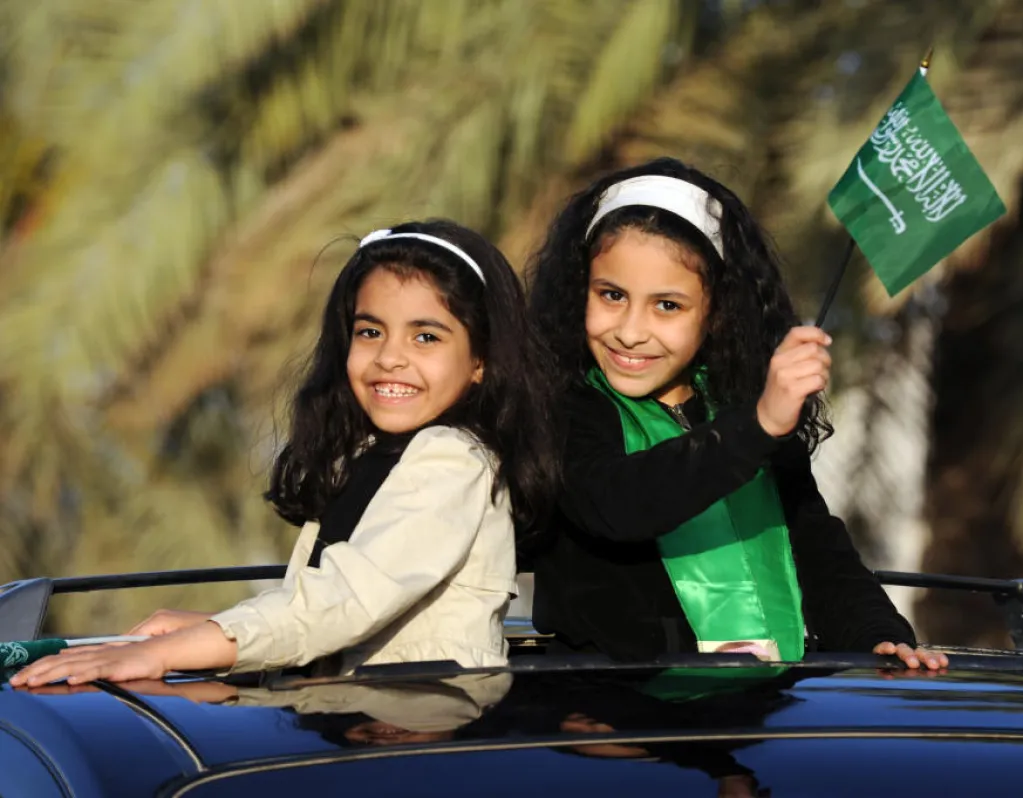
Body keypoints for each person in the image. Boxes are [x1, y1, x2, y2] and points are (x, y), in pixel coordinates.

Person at [11, 219, 556, 687]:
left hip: (426, 734)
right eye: (370, 331)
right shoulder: (372, 455)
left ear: (481, 361)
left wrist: (170, 652)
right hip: (361, 721)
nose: (390, 357)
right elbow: (324, 610)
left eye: (426, 337)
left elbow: (346, 601)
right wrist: (213, 628)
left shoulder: (453, 461)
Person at [525, 157, 946, 670]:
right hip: (611, 710)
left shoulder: (741, 407)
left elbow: (817, 550)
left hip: (760, 707)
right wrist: (758, 426)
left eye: (667, 305)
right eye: (612, 295)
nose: (631, 332)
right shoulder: (561, 407)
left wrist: (878, 636)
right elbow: (619, 503)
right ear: (579, 291)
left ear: (718, 313)